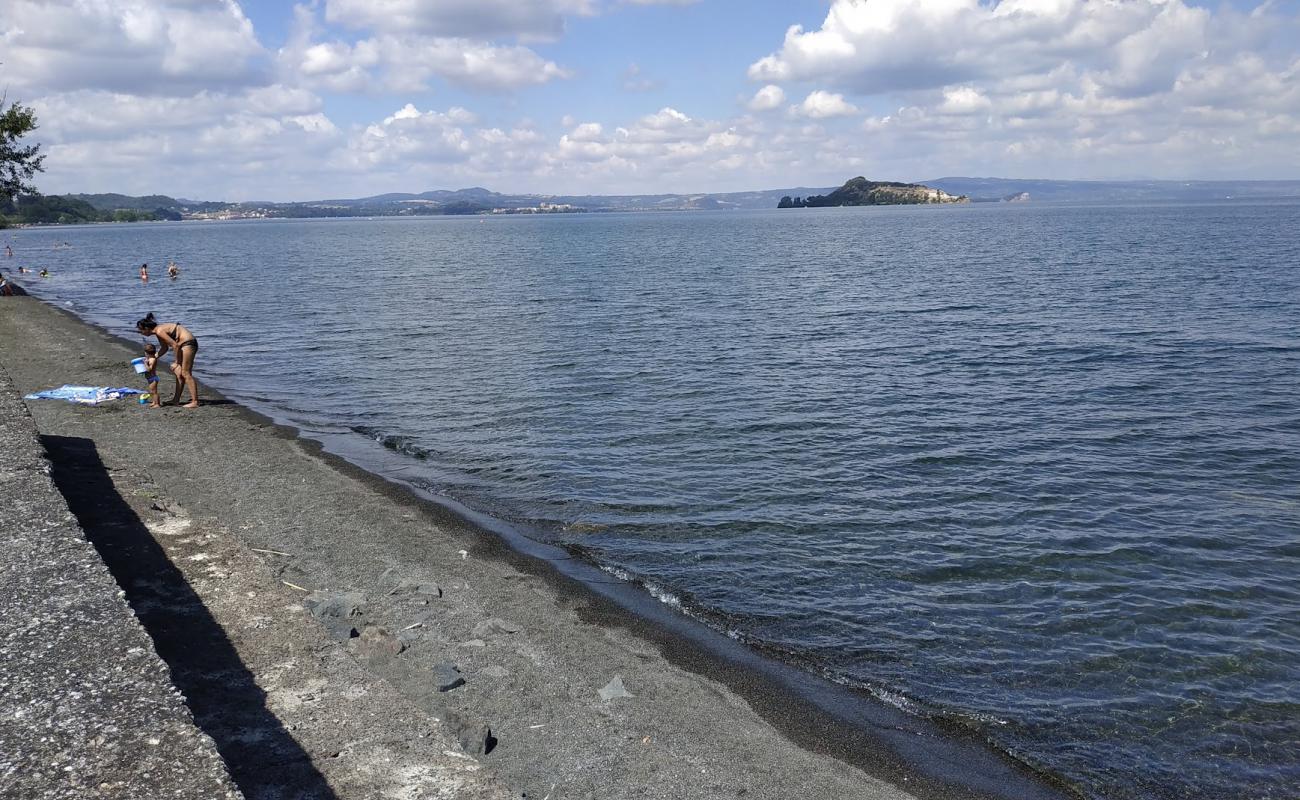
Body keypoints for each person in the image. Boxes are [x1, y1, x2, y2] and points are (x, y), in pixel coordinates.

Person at [135, 312, 201, 408]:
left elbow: (175, 345)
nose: (141, 333)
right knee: (179, 374)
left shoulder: (159, 331)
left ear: (146, 328)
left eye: (141, 331)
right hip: (184, 344)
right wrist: (154, 357)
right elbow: (164, 348)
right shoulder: (158, 332)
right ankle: (176, 400)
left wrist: (177, 362)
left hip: (188, 344)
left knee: (186, 373)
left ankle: (195, 402)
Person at [140, 343, 162, 408]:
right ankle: (154, 402)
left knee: (154, 392)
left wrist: (145, 364)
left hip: (153, 378)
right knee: (151, 391)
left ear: (146, 353)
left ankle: (157, 404)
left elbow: (150, 369)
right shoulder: (149, 359)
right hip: (150, 378)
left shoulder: (152, 359)